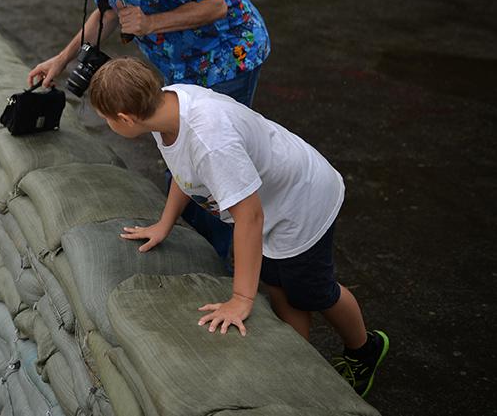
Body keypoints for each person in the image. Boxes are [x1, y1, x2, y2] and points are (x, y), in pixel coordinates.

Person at [86, 57, 389, 397]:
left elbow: (249, 218)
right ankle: (296, 367)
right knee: (278, 286)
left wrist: (241, 298)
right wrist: (164, 224)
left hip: (300, 205)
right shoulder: (165, 108)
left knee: (314, 291)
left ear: (126, 119)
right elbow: (185, 174)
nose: (108, 124)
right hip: (271, 203)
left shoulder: (210, 142)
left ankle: (364, 349)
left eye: (106, 120)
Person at [28, 0, 270, 262]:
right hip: (181, 66)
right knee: (183, 159)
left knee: (212, 163)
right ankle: (198, 243)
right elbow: (109, 11)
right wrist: (62, 58)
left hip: (227, 57)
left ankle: (230, 261)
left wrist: (151, 24)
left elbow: (216, 6)